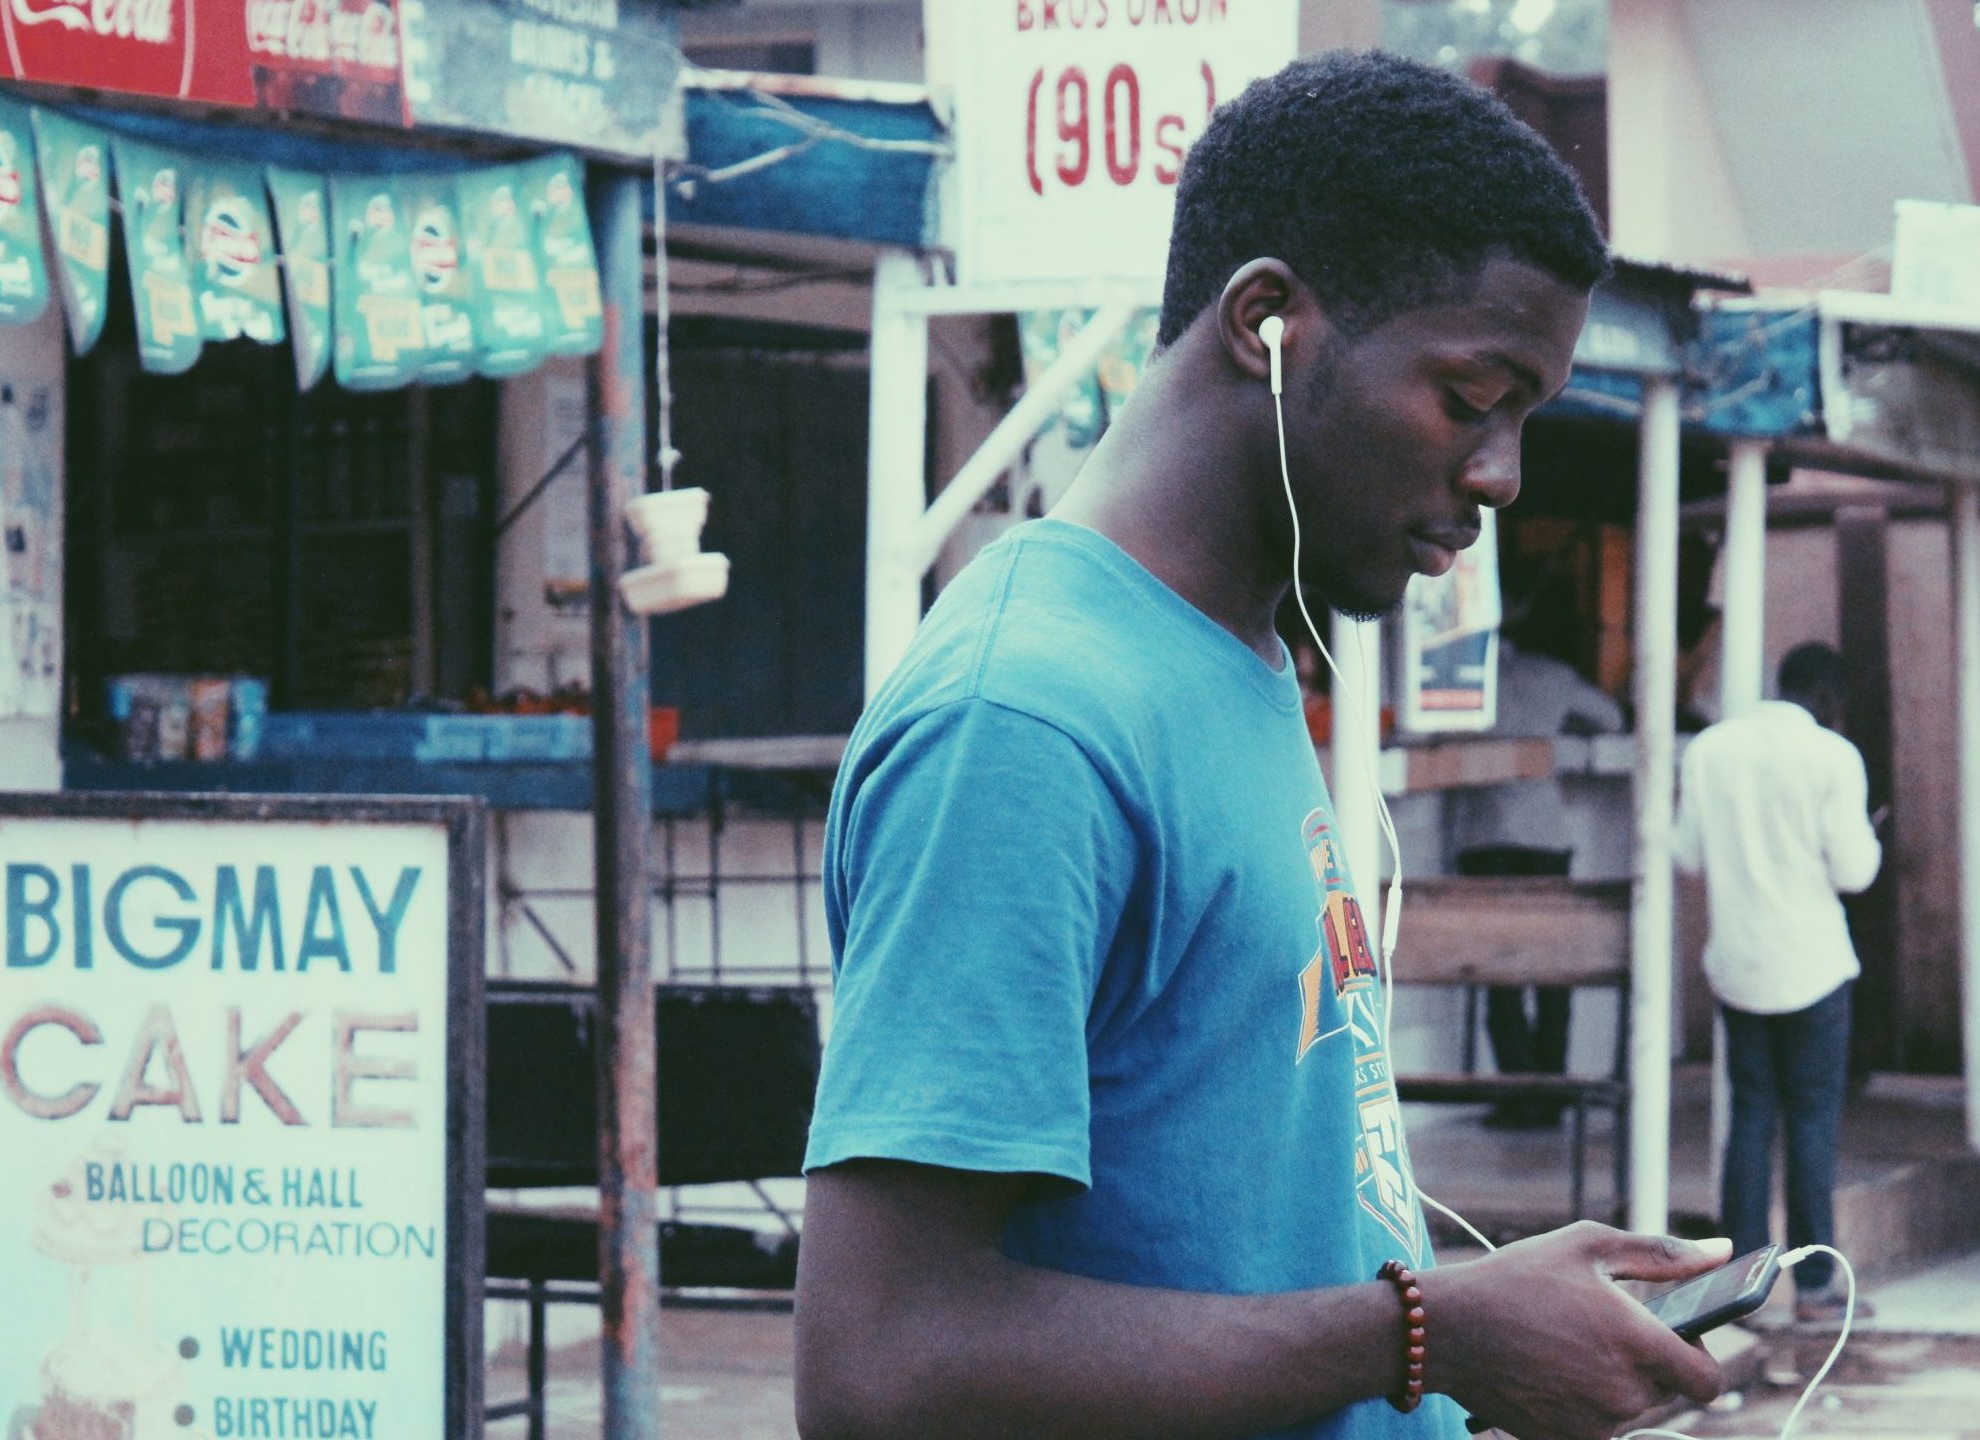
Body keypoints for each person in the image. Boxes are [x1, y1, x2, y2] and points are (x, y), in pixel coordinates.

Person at [794, 51, 1734, 1440]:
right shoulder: (1026, 722)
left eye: (1524, 417)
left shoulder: (1232, 656)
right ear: (1268, 322)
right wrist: (1432, 1333)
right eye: (1475, 398)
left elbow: (1233, 1247)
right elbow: (882, 1365)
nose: (1501, 477)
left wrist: (1472, 1339)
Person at [1674, 643, 1882, 1325]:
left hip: (1738, 966)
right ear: (1825, 696)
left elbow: (1687, 855)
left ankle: (1741, 1291)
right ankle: (1817, 1285)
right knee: (1812, 1123)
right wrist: (1870, 836)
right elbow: (1854, 872)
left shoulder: (1709, 751)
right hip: (1815, 966)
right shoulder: (1832, 757)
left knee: (1750, 1120)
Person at [1449, 578, 1624, 1128]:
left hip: (1484, 837)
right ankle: (1551, 1093)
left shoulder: (1463, 678)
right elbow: (1613, 721)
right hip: (1546, 835)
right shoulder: (1554, 676)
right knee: (1553, 973)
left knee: (1496, 972)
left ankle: (1518, 1096)